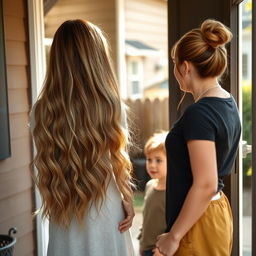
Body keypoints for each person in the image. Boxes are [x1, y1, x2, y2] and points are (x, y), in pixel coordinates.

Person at [30, 19, 135, 256]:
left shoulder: (41, 111)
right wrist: (127, 200)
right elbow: (119, 162)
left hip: (64, 215)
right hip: (107, 216)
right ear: (97, 60)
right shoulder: (111, 106)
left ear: (56, 60)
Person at [156, 19, 241, 256]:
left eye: (174, 64)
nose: (174, 71)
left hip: (198, 220)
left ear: (185, 67)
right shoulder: (228, 102)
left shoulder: (199, 114)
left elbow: (206, 183)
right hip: (211, 212)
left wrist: (173, 237)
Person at [138, 132, 167, 256]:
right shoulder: (149, 185)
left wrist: (162, 249)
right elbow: (147, 218)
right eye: (149, 160)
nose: (152, 165)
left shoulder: (172, 193)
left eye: (158, 160)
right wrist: (141, 242)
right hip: (146, 249)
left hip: (160, 251)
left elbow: (175, 225)